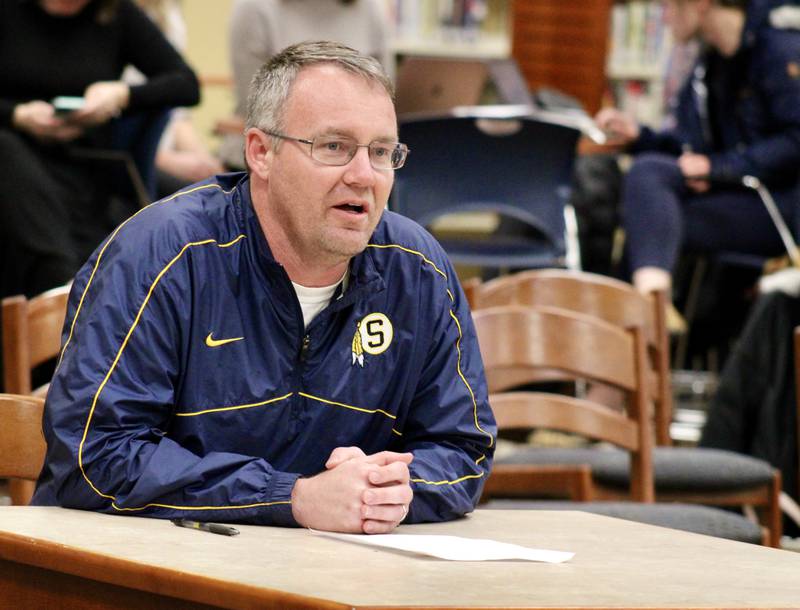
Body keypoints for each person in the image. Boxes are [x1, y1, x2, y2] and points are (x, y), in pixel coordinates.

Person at [32, 41, 496, 534]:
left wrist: (387, 491)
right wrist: (292, 498)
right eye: (334, 146)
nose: (363, 176)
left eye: (381, 152)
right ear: (260, 152)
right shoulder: (160, 255)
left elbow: (463, 448)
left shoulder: (419, 271)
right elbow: (96, 455)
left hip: (320, 578)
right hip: (131, 575)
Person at [594, 0, 800, 299]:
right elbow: (690, 145)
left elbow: (796, 140)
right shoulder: (710, 63)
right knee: (648, 177)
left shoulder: (780, 51)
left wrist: (719, 169)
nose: (664, 17)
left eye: (670, 6)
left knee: (648, 222)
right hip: (731, 190)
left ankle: (644, 314)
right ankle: (650, 305)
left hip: (775, 206)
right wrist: (640, 137)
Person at [0, 0, 200, 299]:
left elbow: (187, 84)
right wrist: (17, 116)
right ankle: (58, 286)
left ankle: (60, 297)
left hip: (84, 169)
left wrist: (121, 95)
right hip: (13, 159)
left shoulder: (117, 14)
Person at [217, 0, 392, 170]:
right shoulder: (254, 7)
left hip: (356, 155)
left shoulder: (370, 7)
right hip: (271, 157)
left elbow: (381, 96)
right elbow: (258, 107)